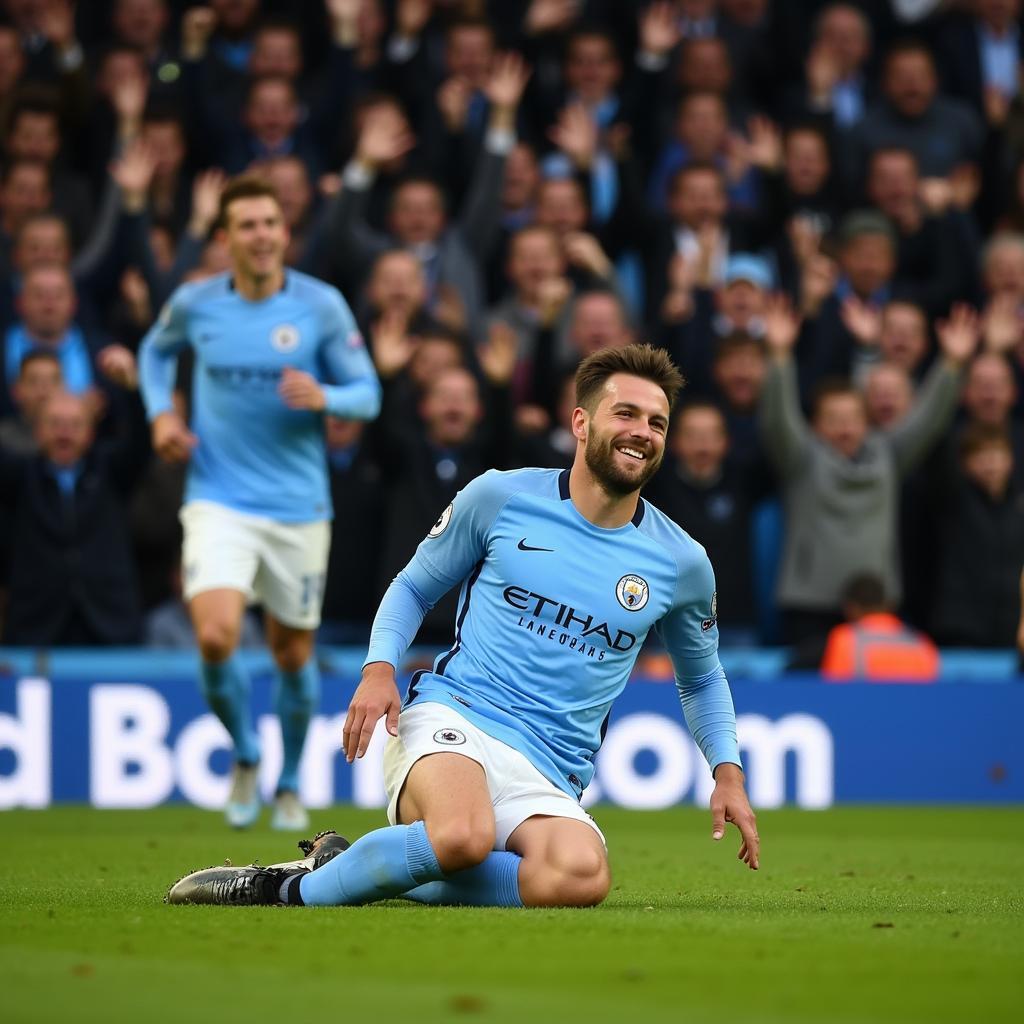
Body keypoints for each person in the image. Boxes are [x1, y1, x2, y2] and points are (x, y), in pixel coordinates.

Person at [166, 343, 759, 909]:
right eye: (625, 413)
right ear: (581, 423)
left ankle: (351, 866)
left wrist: (726, 772)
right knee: (460, 838)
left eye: (657, 423)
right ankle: (280, 888)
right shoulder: (501, 497)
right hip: (455, 718)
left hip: (551, 767)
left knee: (579, 876)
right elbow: (414, 586)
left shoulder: (681, 562)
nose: (642, 432)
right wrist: (379, 670)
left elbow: (702, 680)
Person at [138, 175, 381, 832]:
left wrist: (327, 397)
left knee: (292, 655)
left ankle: (292, 778)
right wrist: (161, 415)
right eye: (247, 225)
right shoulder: (196, 303)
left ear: (285, 231)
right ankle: (245, 751)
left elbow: (369, 392)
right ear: (225, 239)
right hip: (218, 496)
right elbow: (153, 354)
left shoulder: (320, 306)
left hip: (299, 507)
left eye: (271, 222)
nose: (263, 235)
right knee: (215, 636)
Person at [818, 573, 940, 682]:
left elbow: (835, 691)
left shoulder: (843, 638)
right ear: (888, 604)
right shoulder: (921, 642)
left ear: (850, 607)